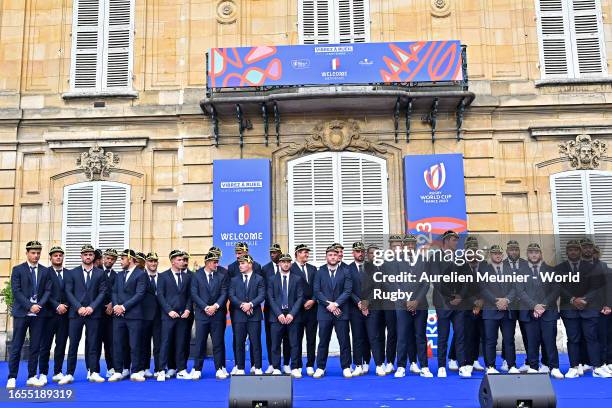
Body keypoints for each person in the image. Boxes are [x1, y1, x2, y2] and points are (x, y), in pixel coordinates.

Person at [558, 239, 610, 378]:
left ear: (579, 251)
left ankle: (597, 367)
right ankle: (574, 366)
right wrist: (573, 300)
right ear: (567, 252)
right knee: (573, 339)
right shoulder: (560, 268)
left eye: (576, 249)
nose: (573, 252)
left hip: (589, 308)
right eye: (570, 249)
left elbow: (596, 287)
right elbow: (559, 288)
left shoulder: (593, 267)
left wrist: (584, 300)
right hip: (569, 309)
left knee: (591, 338)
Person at [6, 241, 52, 389]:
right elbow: (16, 291)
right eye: (33, 252)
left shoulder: (45, 271)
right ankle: (12, 377)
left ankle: (31, 376)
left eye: (38, 253)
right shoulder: (18, 269)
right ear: (27, 253)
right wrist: (29, 306)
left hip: (38, 314)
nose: (36, 255)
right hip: (22, 313)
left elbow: (47, 291)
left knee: (35, 347)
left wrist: (38, 306)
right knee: (16, 346)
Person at [60, 244, 107, 384]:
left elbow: (103, 292)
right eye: (85, 254)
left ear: (94, 256)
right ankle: (69, 373)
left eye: (90, 254)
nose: (88, 256)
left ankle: (93, 372)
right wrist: (78, 307)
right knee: (73, 344)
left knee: (93, 344)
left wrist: (92, 307)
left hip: (94, 314)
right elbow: (68, 292)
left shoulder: (100, 273)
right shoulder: (72, 273)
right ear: (81, 256)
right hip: (76, 314)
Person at [516, 243, 563, 379]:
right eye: (531, 252)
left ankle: (553, 367)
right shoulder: (520, 272)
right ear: (527, 254)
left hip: (548, 312)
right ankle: (533, 367)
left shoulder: (551, 270)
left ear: (541, 253)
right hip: (530, 312)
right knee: (532, 341)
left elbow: (556, 290)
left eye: (536, 252)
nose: (534, 255)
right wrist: (534, 306)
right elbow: (520, 291)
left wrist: (543, 306)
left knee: (549, 341)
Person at [431, 230, 471, 378]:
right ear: (446, 241)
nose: (456, 242)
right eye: (454, 240)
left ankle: (462, 365)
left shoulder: (460, 258)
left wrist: (460, 296)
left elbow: (467, 279)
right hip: (443, 303)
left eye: (457, 240)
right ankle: (441, 366)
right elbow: (436, 280)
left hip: (459, 304)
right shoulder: (435, 257)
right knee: (443, 335)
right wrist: (450, 297)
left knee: (460, 335)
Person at [392, 234, 432, 378]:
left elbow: (426, 283)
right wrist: (406, 301)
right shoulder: (396, 261)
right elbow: (394, 283)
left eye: (412, 244)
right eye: (407, 244)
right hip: (402, 305)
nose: (410, 246)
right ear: (403, 246)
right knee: (402, 336)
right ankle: (401, 367)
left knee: (420, 336)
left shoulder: (423, 260)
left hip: (420, 305)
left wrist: (416, 301)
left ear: (415, 245)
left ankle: (424, 367)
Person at [313, 245, 353, 378]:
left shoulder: (346, 271)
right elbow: (317, 291)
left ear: (338, 257)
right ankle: (320, 367)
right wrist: (329, 304)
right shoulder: (320, 271)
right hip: (324, 312)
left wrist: (336, 304)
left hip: (341, 311)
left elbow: (347, 291)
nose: (333, 257)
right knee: (323, 340)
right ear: (326, 257)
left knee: (344, 341)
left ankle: (346, 367)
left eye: (335, 255)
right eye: (330, 255)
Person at [108, 249, 147, 382]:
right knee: (118, 343)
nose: (120, 261)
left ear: (130, 259)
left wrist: (123, 307)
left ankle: (135, 370)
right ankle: (118, 370)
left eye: (123, 259)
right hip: (118, 316)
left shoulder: (141, 274)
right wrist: (116, 306)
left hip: (134, 315)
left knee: (135, 344)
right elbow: (113, 292)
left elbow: (140, 294)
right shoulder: (119, 275)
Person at [481, 244, 518, 375]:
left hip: (507, 310)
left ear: (503, 255)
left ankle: (511, 364)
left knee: (509, 339)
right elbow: (483, 289)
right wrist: (496, 301)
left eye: (499, 253)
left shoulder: (510, 270)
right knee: (490, 339)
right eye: (495, 253)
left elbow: (515, 288)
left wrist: (506, 300)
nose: (497, 255)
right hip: (491, 310)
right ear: (491, 255)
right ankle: (490, 366)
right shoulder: (484, 270)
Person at [156, 250, 193, 381]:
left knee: (181, 343)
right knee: (165, 343)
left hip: (183, 316)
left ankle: (181, 369)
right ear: (172, 261)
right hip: (168, 316)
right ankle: (161, 369)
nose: (182, 262)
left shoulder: (188, 277)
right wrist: (169, 310)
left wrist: (188, 309)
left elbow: (190, 296)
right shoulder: (163, 276)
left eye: (183, 260)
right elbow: (160, 295)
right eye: (179, 260)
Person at [191, 252, 229, 380]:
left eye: (217, 261)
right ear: (207, 262)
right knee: (200, 343)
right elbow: (194, 294)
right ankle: (197, 369)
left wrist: (215, 306)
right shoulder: (196, 275)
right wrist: (206, 307)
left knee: (218, 343)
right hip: (202, 315)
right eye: (214, 262)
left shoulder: (221, 275)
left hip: (217, 315)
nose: (217, 264)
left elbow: (224, 293)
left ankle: (219, 368)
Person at [267, 253, 304, 377]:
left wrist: (292, 314)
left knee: (294, 343)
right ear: (279, 264)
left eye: (288, 262)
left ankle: (294, 367)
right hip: (276, 316)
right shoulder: (272, 279)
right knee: (275, 343)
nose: (286, 264)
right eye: (283, 262)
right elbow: (270, 298)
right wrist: (278, 314)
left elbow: (300, 298)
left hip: (292, 316)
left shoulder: (297, 279)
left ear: (291, 263)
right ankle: (276, 367)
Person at [229, 254, 266, 375]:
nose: (240, 266)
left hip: (254, 315)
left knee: (255, 342)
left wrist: (250, 304)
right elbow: (231, 295)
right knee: (239, 342)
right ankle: (240, 368)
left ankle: (257, 367)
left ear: (250, 264)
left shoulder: (259, 279)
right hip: (239, 316)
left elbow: (261, 295)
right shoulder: (234, 279)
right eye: (239, 263)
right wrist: (242, 305)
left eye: (243, 263)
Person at [38, 246, 70, 384]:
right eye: (55, 255)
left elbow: (73, 292)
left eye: (60, 255)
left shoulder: (69, 274)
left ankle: (58, 372)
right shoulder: (44, 273)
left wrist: (66, 305)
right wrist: (57, 305)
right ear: (50, 258)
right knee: (45, 345)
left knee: (61, 344)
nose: (58, 257)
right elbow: (44, 293)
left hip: (65, 315)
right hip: (48, 314)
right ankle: (43, 373)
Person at [503, 240, 530, 372]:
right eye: (511, 249)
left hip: (525, 305)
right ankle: (506, 360)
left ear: (519, 250)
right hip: (509, 305)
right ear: (507, 251)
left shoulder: (526, 264)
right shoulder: (501, 265)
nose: (514, 252)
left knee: (528, 334)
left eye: (516, 249)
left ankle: (530, 361)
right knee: (508, 334)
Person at [263, 243, 291, 374]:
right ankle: (272, 363)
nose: (272, 255)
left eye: (275, 253)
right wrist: (276, 311)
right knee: (272, 338)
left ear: (280, 253)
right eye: (271, 253)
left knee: (287, 338)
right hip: (271, 310)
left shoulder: (289, 268)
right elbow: (265, 290)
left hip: (288, 310)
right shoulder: (265, 269)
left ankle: (286, 363)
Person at [290, 244, 318, 376]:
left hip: (312, 309)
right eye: (303, 252)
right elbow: (291, 290)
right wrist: (302, 302)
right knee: (296, 339)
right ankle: (296, 365)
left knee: (311, 338)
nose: (306, 254)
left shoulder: (313, 269)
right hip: (298, 309)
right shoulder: (291, 268)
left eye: (307, 252)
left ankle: (311, 364)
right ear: (297, 254)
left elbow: (318, 287)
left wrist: (313, 300)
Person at [347, 241, 371, 376]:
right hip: (354, 308)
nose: (360, 253)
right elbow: (348, 289)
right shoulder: (347, 269)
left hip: (370, 307)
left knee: (369, 336)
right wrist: (359, 303)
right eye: (357, 251)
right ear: (353, 253)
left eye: (362, 251)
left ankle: (367, 362)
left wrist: (367, 303)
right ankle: (358, 364)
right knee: (357, 337)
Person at [141, 252, 162, 378]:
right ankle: (145, 367)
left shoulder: (163, 277)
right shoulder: (140, 276)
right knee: (144, 344)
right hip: (144, 316)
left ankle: (159, 368)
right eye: (150, 261)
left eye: (155, 261)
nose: (153, 263)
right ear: (146, 263)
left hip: (160, 316)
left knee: (159, 344)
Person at [99, 248, 118, 378]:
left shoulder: (117, 276)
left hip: (111, 314)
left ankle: (111, 367)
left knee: (110, 343)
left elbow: (118, 292)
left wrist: (112, 304)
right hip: (97, 312)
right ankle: (92, 369)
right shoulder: (96, 272)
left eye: (112, 259)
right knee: (94, 342)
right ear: (104, 258)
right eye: (108, 258)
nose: (109, 261)